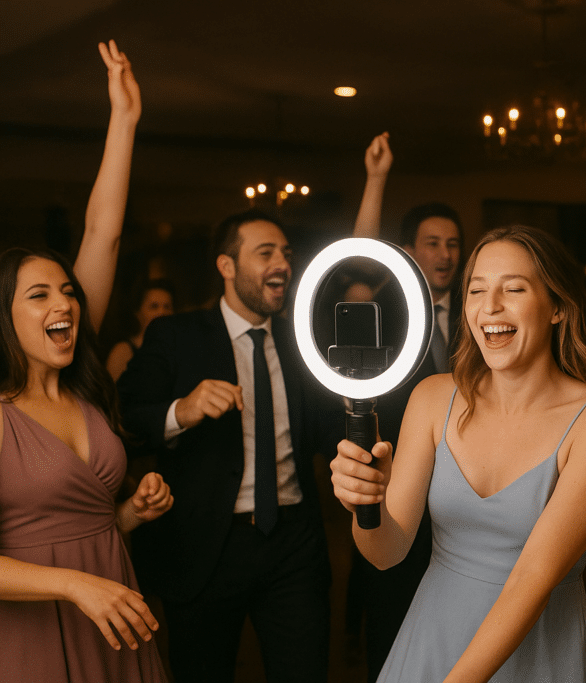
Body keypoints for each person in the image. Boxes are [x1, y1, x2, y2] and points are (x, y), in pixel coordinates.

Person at [332, 225, 586, 682]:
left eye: (513, 288)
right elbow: (386, 553)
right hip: (433, 635)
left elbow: (532, 580)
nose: (489, 307)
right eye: (476, 290)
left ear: (556, 307)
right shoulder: (434, 398)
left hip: (544, 651)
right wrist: (365, 503)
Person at [0, 40, 173, 681]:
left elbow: (103, 233)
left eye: (68, 291)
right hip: (33, 637)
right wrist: (75, 586)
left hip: (115, 619)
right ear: (6, 319)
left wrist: (124, 122)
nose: (63, 303)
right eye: (39, 294)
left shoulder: (82, 384)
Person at [117, 208, 344, 682]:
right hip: (206, 546)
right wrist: (182, 409)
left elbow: (330, 430)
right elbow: (125, 419)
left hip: (293, 542)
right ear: (226, 266)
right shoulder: (176, 335)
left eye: (285, 253)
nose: (282, 263)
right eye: (265, 253)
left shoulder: (304, 341)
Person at [349, 132, 469, 681]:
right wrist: (376, 179)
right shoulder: (387, 312)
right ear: (407, 251)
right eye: (431, 243)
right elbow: (356, 261)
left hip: (467, 487)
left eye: (452, 244)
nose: (444, 255)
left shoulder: (482, 317)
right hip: (398, 482)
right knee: (394, 614)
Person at [106, 278, 175, 381]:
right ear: (138, 312)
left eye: (167, 307)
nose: (162, 313)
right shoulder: (123, 351)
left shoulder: (173, 350)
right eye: (154, 306)